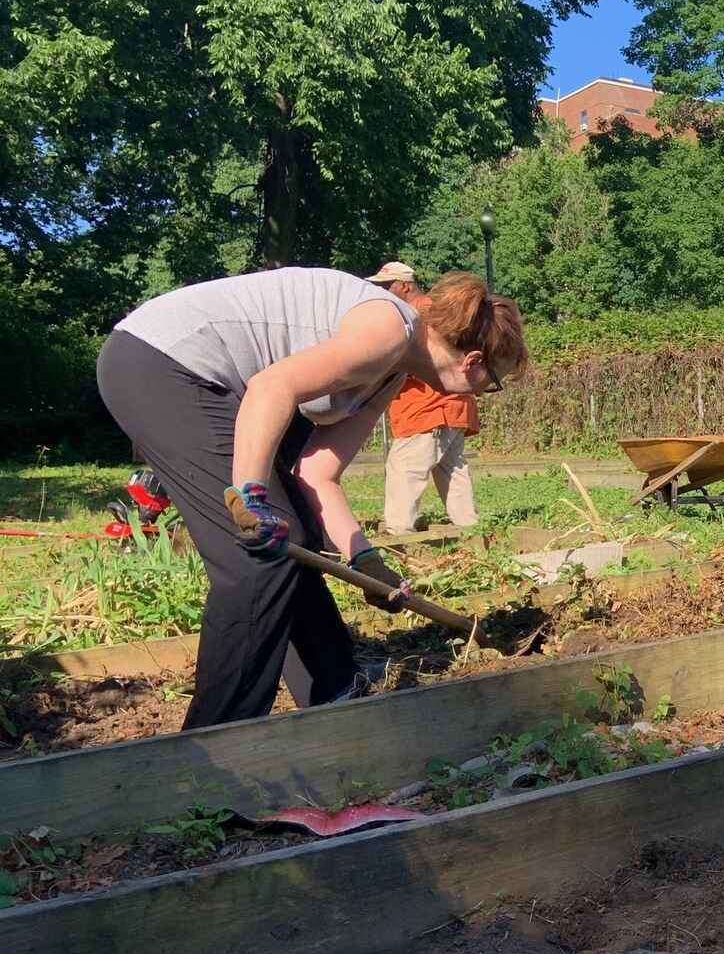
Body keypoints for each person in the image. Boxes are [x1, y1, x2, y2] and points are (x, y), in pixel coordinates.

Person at [97, 267, 527, 729]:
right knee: (257, 559)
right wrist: (251, 497)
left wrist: (366, 561)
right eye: (492, 384)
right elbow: (272, 387)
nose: (484, 393)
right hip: (162, 362)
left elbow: (319, 474)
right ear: (472, 362)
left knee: (293, 536)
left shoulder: (392, 371)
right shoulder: (388, 330)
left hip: (194, 376)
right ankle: (215, 740)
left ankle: (335, 686)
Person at [369, 262, 484, 533]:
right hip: (452, 405)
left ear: (405, 286)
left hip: (429, 407)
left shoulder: (418, 314)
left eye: (386, 286)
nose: (380, 291)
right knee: (451, 469)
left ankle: (399, 533)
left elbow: (422, 361)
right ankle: (469, 528)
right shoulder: (436, 311)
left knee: (405, 467)